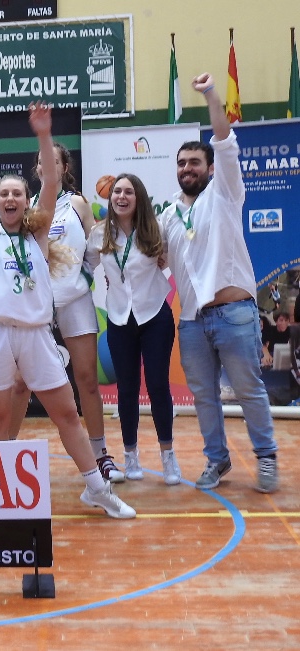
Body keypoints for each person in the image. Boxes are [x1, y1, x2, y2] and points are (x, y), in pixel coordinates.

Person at [0, 103, 135, 518]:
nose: (9, 197)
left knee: (66, 414)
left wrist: (44, 134)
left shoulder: (38, 233)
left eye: (16, 194)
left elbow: (51, 182)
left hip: (38, 336)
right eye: (3, 193)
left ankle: (96, 488)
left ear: (27, 203)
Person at [160, 72, 279, 493]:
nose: (187, 168)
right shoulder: (168, 216)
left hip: (235, 314)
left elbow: (225, 139)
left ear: (210, 168)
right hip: (191, 322)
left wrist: (211, 93)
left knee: (248, 390)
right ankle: (217, 460)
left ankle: (266, 458)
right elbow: (146, 255)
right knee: (204, 397)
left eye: (194, 162)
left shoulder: (226, 192)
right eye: (180, 163)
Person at [22, 141, 122, 482]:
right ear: (37, 170)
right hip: (38, 304)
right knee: (20, 385)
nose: (45, 166)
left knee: (87, 380)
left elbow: (95, 245)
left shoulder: (77, 202)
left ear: (65, 168)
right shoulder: (28, 207)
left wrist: (84, 276)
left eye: (52, 161)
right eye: (40, 161)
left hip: (76, 299)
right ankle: (2, 453)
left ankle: (100, 455)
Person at [86, 173, 181, 485]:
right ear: (110, 198)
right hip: (119, 320)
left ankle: (169, 458)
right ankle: (131, 457)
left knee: (157, 386)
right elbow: (84, 267)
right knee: (126, 391)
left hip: (155, 317)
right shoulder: (101, 234)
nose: (121, 197)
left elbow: (172, 260)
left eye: (128, 191)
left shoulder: (155, 230)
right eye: (116, 192)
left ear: (138, 197)